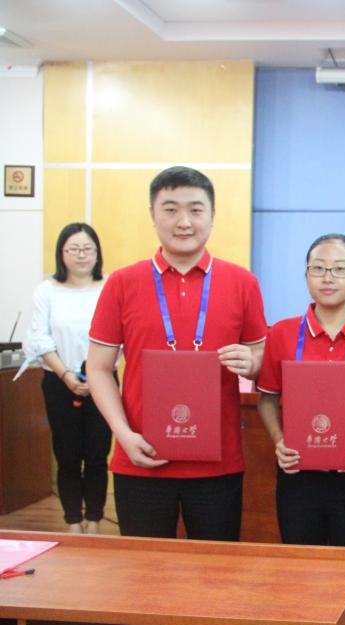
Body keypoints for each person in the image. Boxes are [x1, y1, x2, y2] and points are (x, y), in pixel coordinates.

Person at [88, 166, 267, 541]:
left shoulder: (242, 282)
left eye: (195, 209)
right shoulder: (122, 282)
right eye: (170, 209)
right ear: (152, 215)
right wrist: (123, 434)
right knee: (145, 569)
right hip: (141, 456)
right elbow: (99, 368)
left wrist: (252, 364)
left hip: (218, 463)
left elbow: (260, 354)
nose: (184, 221)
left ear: (212, 216)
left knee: (215, 567)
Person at [256, 233, 345, 547]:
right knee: (300, 563)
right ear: (306, 274)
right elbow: (267, 399)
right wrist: (279, 440)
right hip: (297, 471)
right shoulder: (281, 333)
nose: (328, 278)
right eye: (318, 268)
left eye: (340, 269)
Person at [24, 223, 111, 533]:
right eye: (73, 249)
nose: (81, 255)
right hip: (59, 381)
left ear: (97, 253)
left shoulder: (109, 287)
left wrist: (97, 376)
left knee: (98, 455)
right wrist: (65, 375)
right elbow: (40, 339)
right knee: (68, 455)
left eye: (88, 249)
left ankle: (95, 519)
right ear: (61, 253)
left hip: (103, 381)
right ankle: (73, 520)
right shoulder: (46, 291)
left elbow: (121, 336)